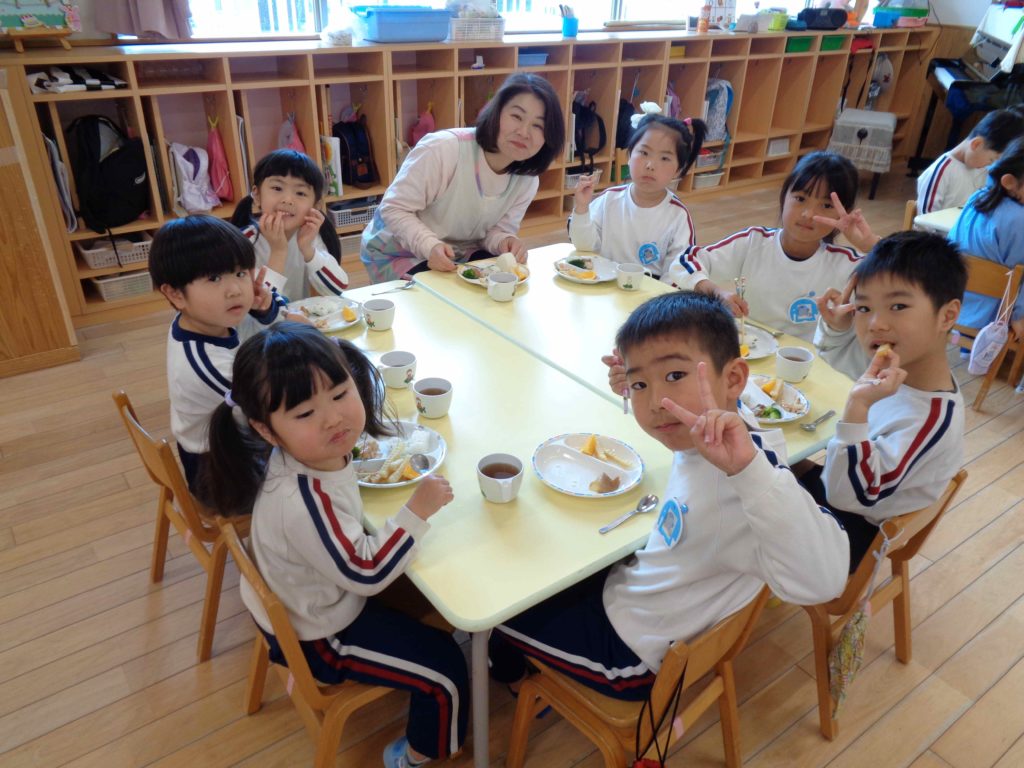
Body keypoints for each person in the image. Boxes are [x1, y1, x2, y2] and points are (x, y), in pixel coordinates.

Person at [488, 293, 848, 702]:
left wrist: (748, 472)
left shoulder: (744, 477)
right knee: (550, 569)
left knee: (496, 609)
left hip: (632, 658)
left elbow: (826, 579)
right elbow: (697, 397)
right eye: (640, 384)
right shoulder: (736, 436)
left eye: (675, 375)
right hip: (645, 600)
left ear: (734, 379)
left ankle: (515, 680)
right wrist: (641, 379)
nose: (657, 402)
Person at [202, 323, 466, 768]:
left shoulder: (307, 455)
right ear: (266, 430)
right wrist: (416, 512)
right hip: (320, 636)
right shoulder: (302, 502)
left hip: (309, 598)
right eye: (305, 413)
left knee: (437, 595)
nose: (333, 419)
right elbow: (367, 573)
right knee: (445, 669)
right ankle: (420, 756)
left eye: (341, 393)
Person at [809, 231, 966, 568]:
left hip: (849, 533)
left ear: (947, 315)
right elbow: (832, 372)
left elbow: (847, 494)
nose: (876, 324)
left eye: (898, 306)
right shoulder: (901, 368)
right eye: (864, 307)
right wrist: (837, 328)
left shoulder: (930, 419)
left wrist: (858, 407)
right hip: (846, 487)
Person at [360, 72, 565, 282]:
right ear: (496, 112)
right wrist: (429, 246)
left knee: (503, 283)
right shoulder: (443, 149)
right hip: (398, 252)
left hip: (461, 252)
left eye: (538, 126)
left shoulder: (527, 180)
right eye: (516, 117)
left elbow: (496, 232)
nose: (523, 132)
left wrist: (505, 240)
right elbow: (393, 208)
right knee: (442, 294)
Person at [662, 151, 880, 342]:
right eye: (800, 198)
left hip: (806, 365)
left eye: (826, 205)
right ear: (784, 197)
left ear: (844, 213)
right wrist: (716, 292)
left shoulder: (847, 264)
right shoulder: (753, 242)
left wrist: (871, 245)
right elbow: (684, 262)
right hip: (749, 351)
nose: (808, 214)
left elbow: (899, 286)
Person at [148, 215, 287, 495]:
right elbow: (278, 408)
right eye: (214, 278)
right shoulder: (208, 365)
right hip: (222, 472)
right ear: (175, 294)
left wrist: (264, 308)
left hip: (229, 441)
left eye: (240, 273)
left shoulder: (203, 319)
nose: (235, 290)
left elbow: (262, 327)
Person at [568, 113, 705, 277]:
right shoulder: (609, 200)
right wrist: (582, 208)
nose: (650, 165)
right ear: (629, 156)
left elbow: (678, 274)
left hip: (652, 291)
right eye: (644, 153)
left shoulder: (678, 216)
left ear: (678, 170)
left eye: (664, 158)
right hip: (604, 283)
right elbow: (584, 247)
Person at [231, 149, 348, 299]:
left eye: (300, 193)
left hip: (299, 314)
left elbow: (338, 288)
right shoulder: (244, 242)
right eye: (277, 188)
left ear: (316, 205)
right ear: (257, 195)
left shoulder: (310, 236)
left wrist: (308, 250)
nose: (287, 200)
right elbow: (259, 302)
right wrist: (278, 251)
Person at [947, 135, 1024, 339]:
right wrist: (1018, 315)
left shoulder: (977, 198)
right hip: (994, 318)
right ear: (1009, 181)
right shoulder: (1019, 219)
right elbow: (1020, 277)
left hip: (953, 302)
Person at [916, 108, 1024, 215]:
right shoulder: (941, 170)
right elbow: (924, 218)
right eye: (991, 160)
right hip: (939, 226)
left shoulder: (983, 170)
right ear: (976, 144)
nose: (991, 165)